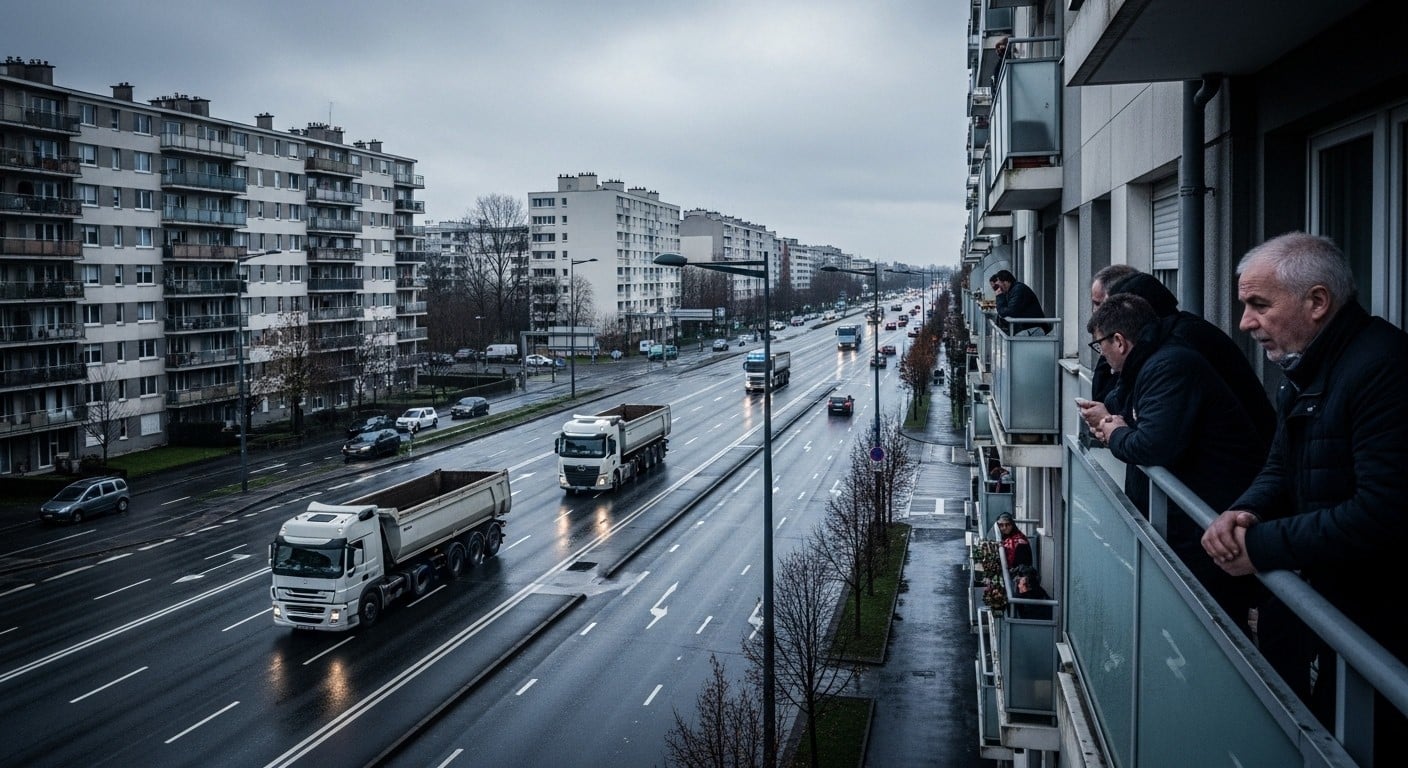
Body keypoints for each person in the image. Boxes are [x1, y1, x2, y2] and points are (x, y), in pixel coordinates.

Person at [1202, 232, 1408, 754]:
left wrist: (1263, 547)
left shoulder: (1384, 370)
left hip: (1381, 631)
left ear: (1317, 302)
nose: (1245, 323)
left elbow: (1382, 511)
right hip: (1337, 612)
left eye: (1258, 305)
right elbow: (1282, 462)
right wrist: (1245, 510)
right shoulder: (1305, 364)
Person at [1085, 293, 1267, 632]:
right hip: (1198, 514)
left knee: (1211, 625)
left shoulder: (1168, 365)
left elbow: (1153, 445)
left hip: (1207, 516)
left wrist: (1114, 435)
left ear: (1120, 341)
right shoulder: (1151, 361)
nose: (1102, 355)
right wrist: (1115, 419)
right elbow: (1119, 402)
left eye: (1100, 346)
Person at [989, 269, 1049, 336]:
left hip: (1034, 329)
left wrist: (1000, 296)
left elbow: (1009, 312)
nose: (998, 289)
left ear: (1005, 282)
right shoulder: (1012, 290)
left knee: (1011, 341)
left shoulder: (1018, 290)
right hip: (1028, 327)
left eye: (998, 286)